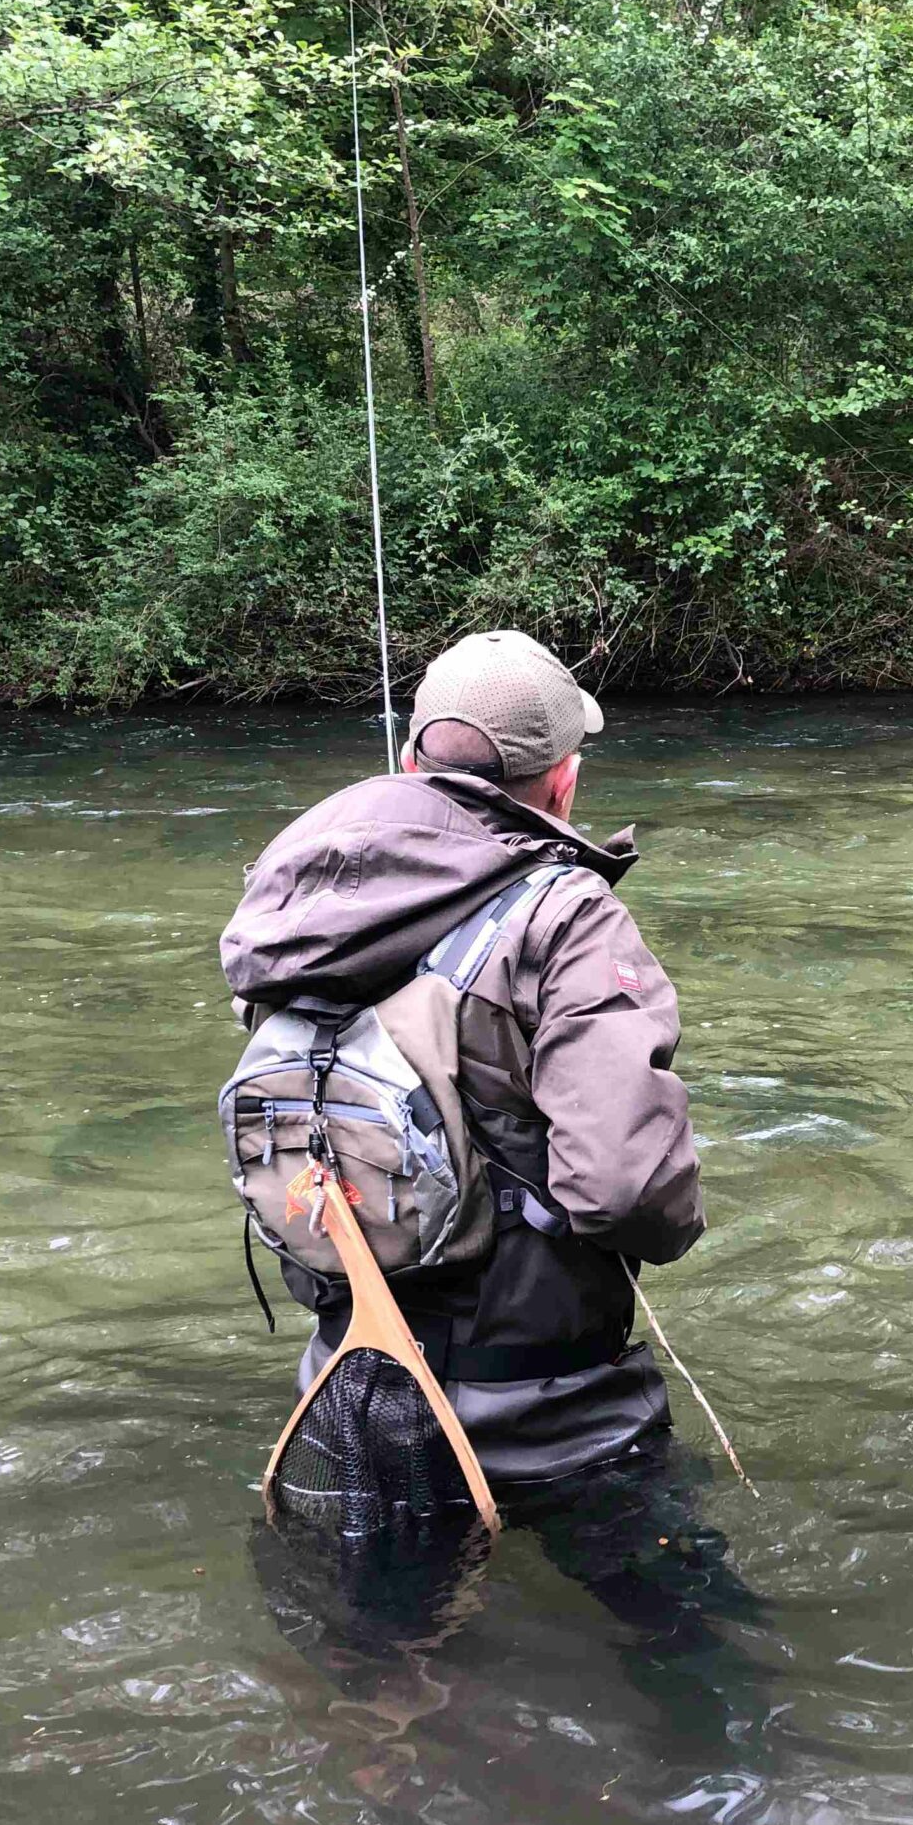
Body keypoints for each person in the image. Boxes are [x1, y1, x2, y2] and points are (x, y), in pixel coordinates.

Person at [220, 629, 706, 1484]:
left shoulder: (292, 898)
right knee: (683, 1618)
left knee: (372, 1617)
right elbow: (626, 1188)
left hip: (348, 1389)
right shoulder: (565, 916)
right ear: (565, 780)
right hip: (549, 1413)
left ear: (411, 761)